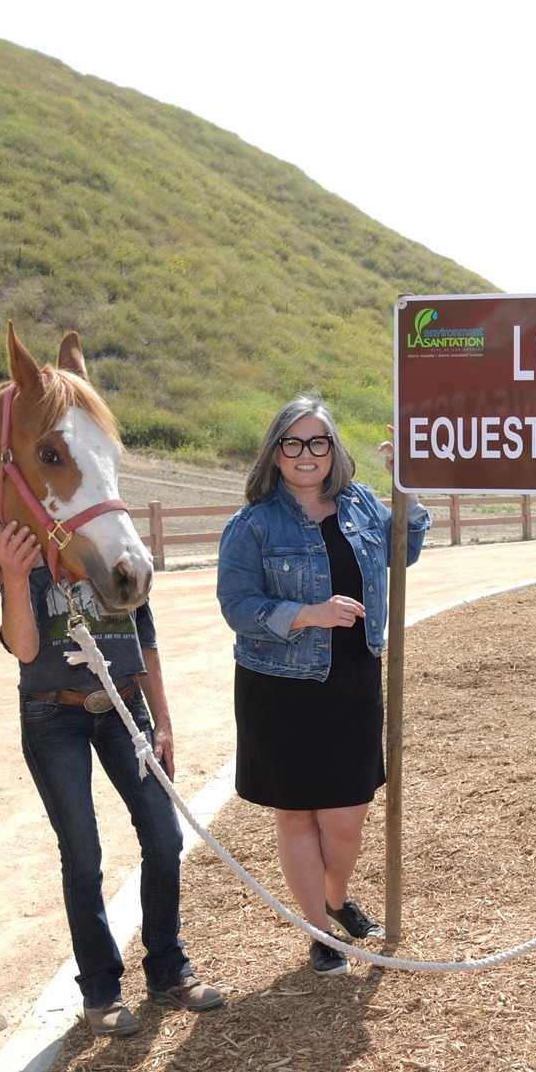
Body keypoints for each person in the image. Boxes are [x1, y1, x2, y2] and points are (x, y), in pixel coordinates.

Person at [216, 395, 428, 977]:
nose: (306, 454)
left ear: (334, 450)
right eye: (294, 442)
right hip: (278, 688)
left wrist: (405, 480)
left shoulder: (359, 504)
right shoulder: (253, 523)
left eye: (319, 442)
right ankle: (319, 929)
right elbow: (236, 606)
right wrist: (307, 613)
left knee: (345, 821)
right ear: (276, 451)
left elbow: (403, 550)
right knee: (296, 816)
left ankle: (336, 898)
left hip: (353, 682)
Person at [0, 522, 221, 1036]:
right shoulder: (30, 557)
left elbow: (146, 643)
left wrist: (162, 720)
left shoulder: (119, 556)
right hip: (53, 718)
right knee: (84, 852)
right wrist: (11, 576)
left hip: (124, 709)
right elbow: (25, 650)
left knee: (165, 838)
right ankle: (100, 991)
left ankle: (167, 967)